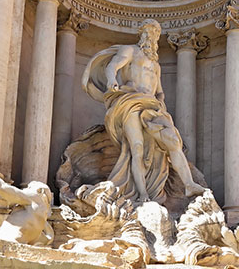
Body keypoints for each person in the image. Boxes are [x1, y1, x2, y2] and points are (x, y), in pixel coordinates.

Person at [82, 19, 205, 203]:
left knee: (172, 141)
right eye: (149, 32)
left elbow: (160, 92)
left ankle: (189, 184)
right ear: (142, 34)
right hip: (130, 101)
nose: (152, 36)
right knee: (137, 148)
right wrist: (111, 80)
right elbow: (113, 66)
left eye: (155, 34)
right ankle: (142, 194)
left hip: (153, 107)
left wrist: (162, 107)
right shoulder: (130, 51)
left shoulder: (156, 65)